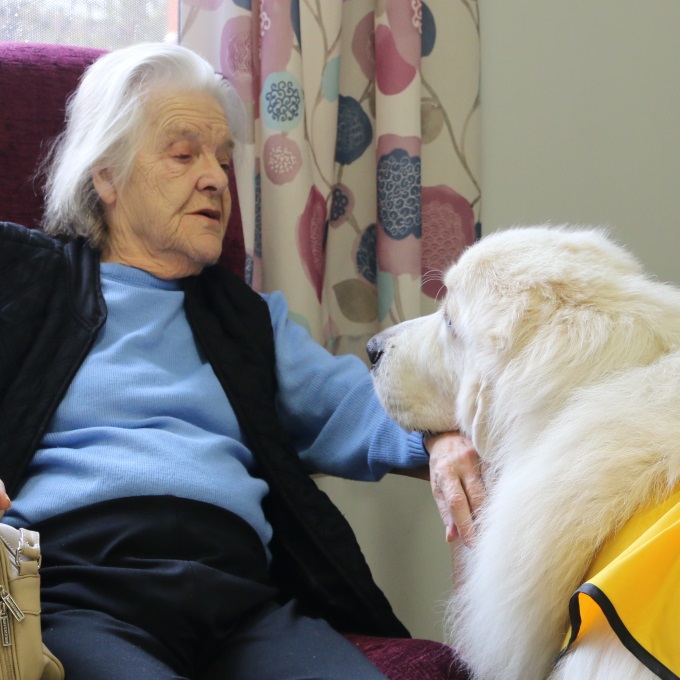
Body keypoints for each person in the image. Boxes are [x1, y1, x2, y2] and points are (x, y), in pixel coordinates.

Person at [0, 43, 484, 680]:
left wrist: (445, 433)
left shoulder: (248, 321)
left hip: (242, 599)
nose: (213, 177)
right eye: (183, 154)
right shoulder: (27, 284)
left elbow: (360, 404)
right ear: (106, 175)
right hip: (80, 590)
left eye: (223, 159)